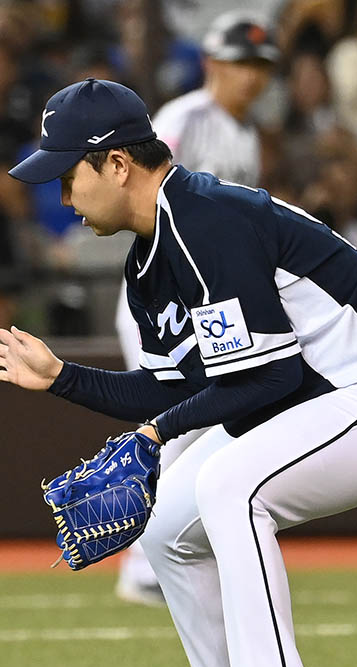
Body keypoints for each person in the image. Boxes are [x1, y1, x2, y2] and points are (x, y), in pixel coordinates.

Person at [0, 79, 357, 667]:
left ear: (116, 164)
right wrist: (62, 379)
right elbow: (179, 383)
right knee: (169, 518)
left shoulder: (207, 221)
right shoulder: (152, 256)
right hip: (332, 401)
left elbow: (269, 377)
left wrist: (154, 436)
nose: (61, 197)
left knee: (231, 483)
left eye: (68, 174)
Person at [112, 12, 279, 607]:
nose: (252, 78)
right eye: (241, 63)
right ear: (212, 63)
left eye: (260, 66)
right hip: (163, 305)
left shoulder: (246, 134)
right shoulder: (184, 118)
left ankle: (155, 556)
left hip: (205, 305)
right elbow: (144, 195)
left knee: (204, 423)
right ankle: (143, 561)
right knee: (184, 420)